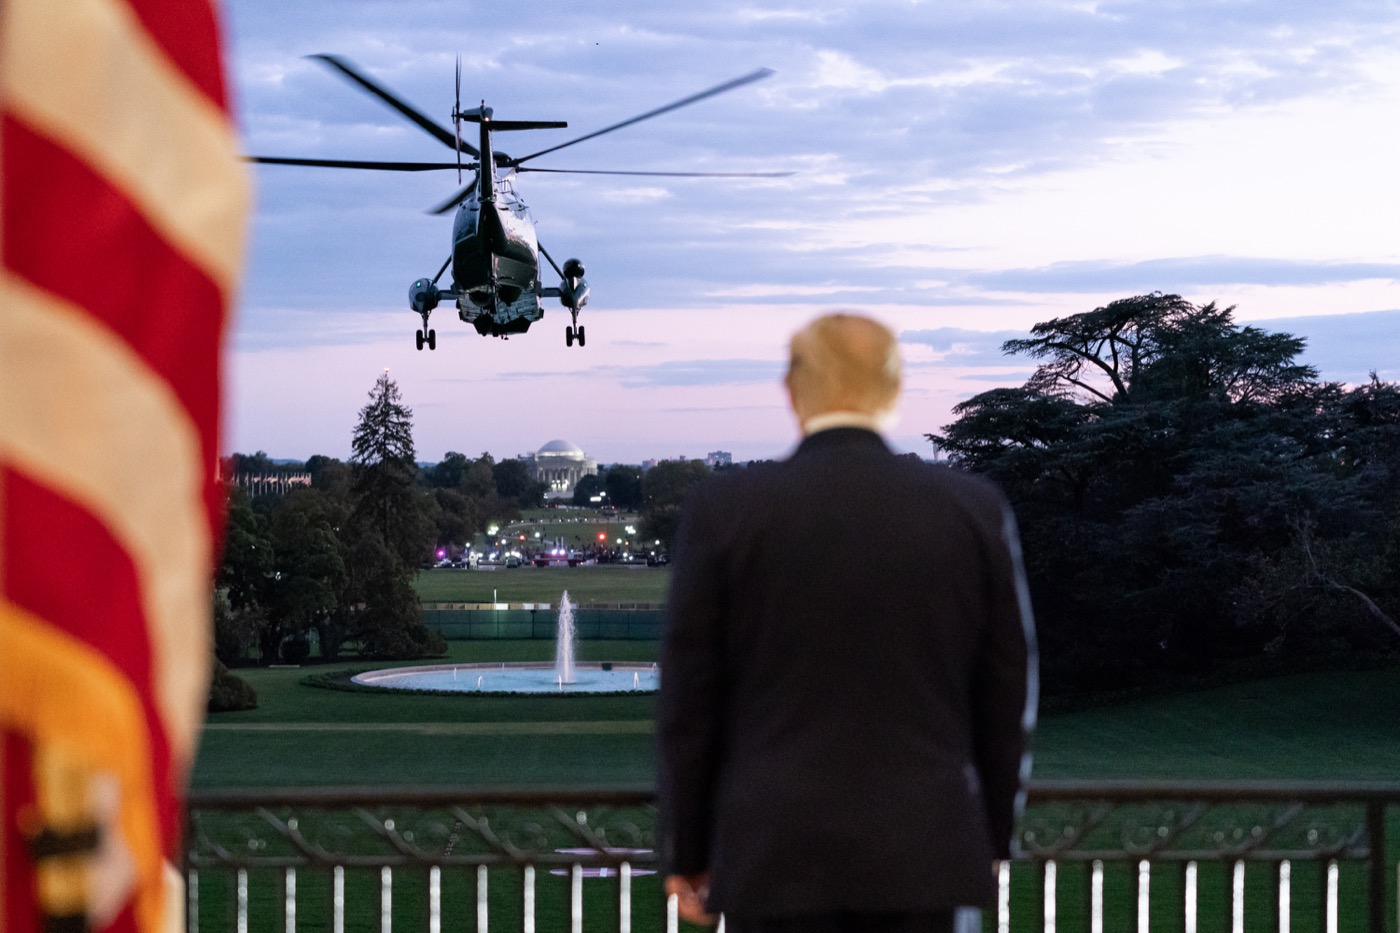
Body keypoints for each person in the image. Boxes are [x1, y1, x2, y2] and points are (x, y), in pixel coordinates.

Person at [656, 313, 1038, 933]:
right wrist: (991, 837)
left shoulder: (725, 510)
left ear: (791, 389)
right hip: (925, 850)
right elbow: (1006, 696)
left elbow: (690, 705)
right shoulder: (970, 510)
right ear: (894, 388)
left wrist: (689, 853)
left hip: (773, 852)